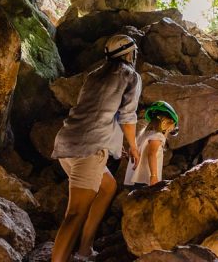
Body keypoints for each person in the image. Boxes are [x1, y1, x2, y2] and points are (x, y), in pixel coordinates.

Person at [51, 34, 142, 262]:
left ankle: (84, 249)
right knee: (74, 213)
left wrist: (114, 144)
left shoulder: (94, 75)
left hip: (67, 143)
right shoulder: (130, 75)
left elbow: (97, 112)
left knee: (108, 187)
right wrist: (133, 146)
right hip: (88, 151)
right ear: (130, 54)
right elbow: (127, 117)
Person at [124, 101, 179, 187]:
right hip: (145, 178)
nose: (169, 131)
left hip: (136, 176)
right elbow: (151, 154)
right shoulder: (158, 136)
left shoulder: (144, 134)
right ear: (166, 123)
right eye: (170, 129)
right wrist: (154, 176)